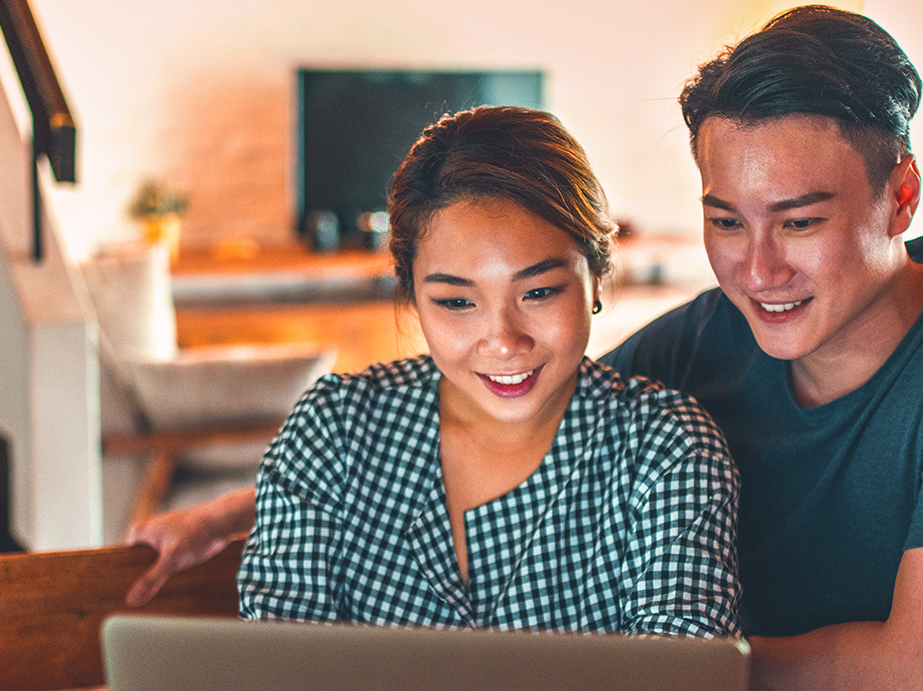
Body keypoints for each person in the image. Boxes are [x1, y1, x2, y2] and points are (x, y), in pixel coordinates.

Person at [128, 6, 923, 691]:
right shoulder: (714, 335)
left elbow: (921, 686)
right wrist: (230, 511)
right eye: (725, 220)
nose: (758, 270)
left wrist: (688, 667)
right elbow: (508, 401)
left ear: (900, 195)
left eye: (800, 221)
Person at [131, 106, 741, 636]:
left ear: (597, 278)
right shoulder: (333, 432)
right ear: (411, 294)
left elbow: (681, 688)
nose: (502, 341)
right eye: (455, 302)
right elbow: (287, 678)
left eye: (540, 292)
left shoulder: (666, 450)